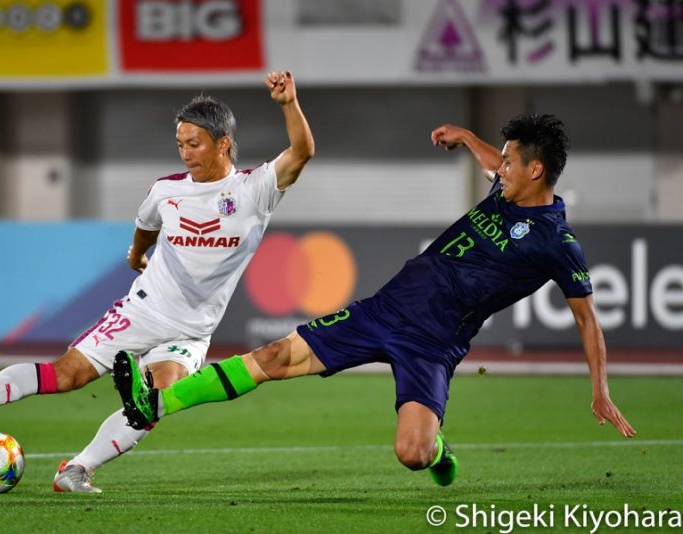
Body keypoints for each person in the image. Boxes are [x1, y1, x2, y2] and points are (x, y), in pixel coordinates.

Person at [112, 114, 636, 487]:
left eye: (509, 163)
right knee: (272, 357)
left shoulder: (557, 243)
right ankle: (155, 402)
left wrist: (600, 390)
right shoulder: (506, 189)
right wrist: (466, 137)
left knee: (412, 454)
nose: (499, 169)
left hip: (433, 344)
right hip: (383, 310)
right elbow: (487, 162)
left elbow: (587, 320)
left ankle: (436, 448)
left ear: (536, 172)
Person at [0, 71, 315, 493]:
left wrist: (288, 104)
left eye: (194, 143)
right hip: (142, 311)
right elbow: (145, 226)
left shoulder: (255, 190)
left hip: (192, 329)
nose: (185, 153)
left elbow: (302, 151)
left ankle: (76, 469)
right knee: (67, 376)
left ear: (223, 143)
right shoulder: (167, 192)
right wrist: (135, 254)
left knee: (156, 400)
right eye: (180, 143)